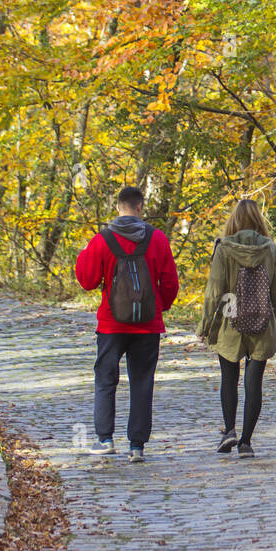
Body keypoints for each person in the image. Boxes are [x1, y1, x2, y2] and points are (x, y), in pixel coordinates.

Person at [75, 185, 179, 463]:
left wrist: (83, 253)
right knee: (142, 382)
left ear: (117, 207)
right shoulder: (158, 239)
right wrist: (159, 307)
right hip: (148, 325)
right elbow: (170, 283)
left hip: (111, 325)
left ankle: (105, 439)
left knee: (106, 381)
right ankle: (137, 446)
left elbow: (86, 281)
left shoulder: (102, 240)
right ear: (140, 207)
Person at [196, 198, 276, 457]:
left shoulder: (224, 248)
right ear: (259, 220)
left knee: (229, 377)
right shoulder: (270, 249)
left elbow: (214, 290)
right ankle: (246, 442)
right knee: (254, 381)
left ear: (234, 220)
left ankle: (229, 431)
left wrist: (205, 324)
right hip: (262, 318)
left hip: (229, 316)